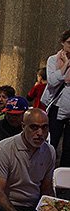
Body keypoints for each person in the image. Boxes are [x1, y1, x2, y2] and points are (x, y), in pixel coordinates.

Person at [41, 29, 70, 166]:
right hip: (56, 106)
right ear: (62, 43)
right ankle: (47, 171)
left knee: (68, 148)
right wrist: (65, 66)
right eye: (69, 43)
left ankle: (64, 178)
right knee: (51, 142)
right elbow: (52, 82)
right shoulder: (53, 60)